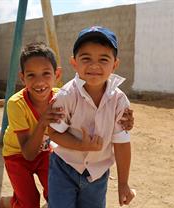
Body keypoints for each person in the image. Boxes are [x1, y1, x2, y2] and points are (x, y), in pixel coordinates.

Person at [0, 42, 134, 208]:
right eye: (31, 75)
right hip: (18, 155)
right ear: (22, 77)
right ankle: (6, 202)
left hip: (45, 151)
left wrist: (125, 122)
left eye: (46, 74)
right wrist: (43, 121)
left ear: (57, 74)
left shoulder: (63, 97)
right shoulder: (16, 104)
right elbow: (28, 154)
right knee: (29, 203)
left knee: (53, 195)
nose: (39, 82)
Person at [48, 26, 136, 208]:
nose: (94, 65)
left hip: (98, 173)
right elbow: (54, 133)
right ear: (74, 62)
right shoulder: (66, 96)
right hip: (64, 167)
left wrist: (123, 183)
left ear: (115, 64)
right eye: (86, 58)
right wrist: (81, 145)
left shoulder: (119, 101)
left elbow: (121, 143)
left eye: (103, 59)